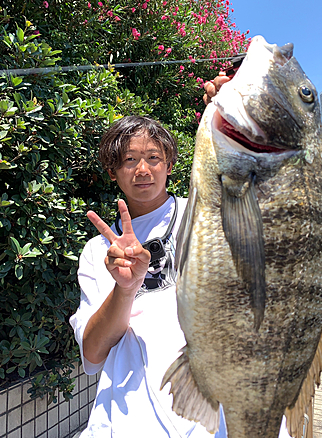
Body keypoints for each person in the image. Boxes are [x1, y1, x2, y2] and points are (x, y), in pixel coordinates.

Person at [70, 77, 293, 437]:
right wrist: (125, 289)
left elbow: (266, 187)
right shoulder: (99, 251)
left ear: (170, 164)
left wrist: (239, 113)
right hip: (130, 422)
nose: (143, 170)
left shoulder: (210, 212)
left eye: (153, 158)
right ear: (113, 172)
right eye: (129, 160)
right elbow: (93, 355)